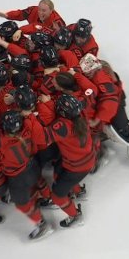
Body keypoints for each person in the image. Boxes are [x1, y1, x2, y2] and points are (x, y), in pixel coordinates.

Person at [37, 94, 95, 228]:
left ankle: (75, 215)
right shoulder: (81, 115)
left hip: (76, 167)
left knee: (57, 196)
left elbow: (42, 137)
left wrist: (39, 107)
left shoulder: (63, 126)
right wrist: (49, 102)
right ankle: (78, 191)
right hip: (83, 161)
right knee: (57, 173)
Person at [0, 110, 54, 240]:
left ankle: (42, 224)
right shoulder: (27, 133)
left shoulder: (2, 143)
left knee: (21, 204)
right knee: (39, 180)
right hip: (32, 165)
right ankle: (48, 198)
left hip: (18, 178)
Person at [0, 0, 65, 35]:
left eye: (44, 11)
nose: (40, 12)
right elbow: (20, 14)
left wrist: (20, 30)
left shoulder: (58, 23)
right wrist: (7, 15)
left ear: (51, 11)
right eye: (39, 9)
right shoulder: (33, 10)